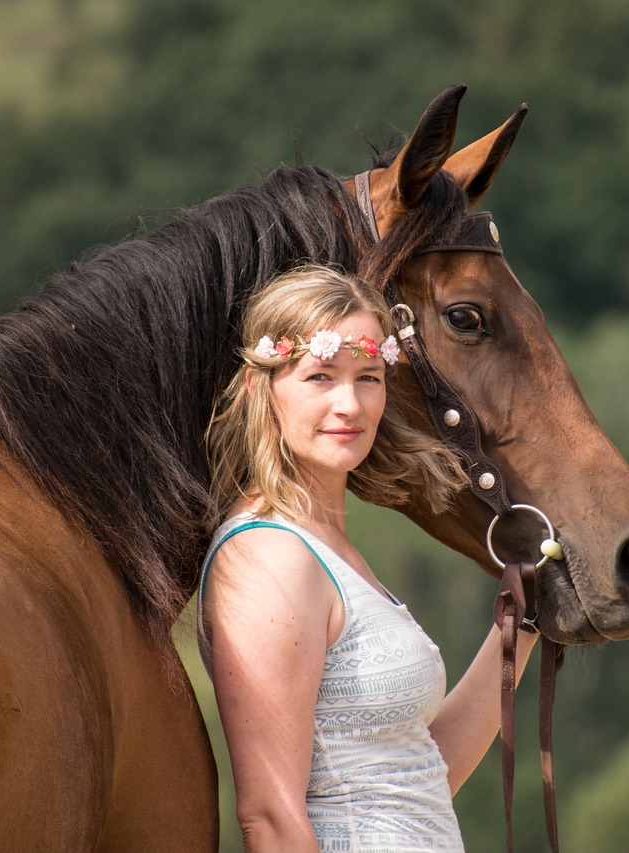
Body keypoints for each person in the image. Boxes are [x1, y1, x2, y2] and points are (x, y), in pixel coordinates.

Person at [198, 265, 540, 852]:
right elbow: (270, 817)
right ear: (262, 388)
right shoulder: (269, 556)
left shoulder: (332, 547)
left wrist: (522, 627)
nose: (349, 404)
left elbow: (419, 778)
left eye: (369, 377)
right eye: (321, 377)